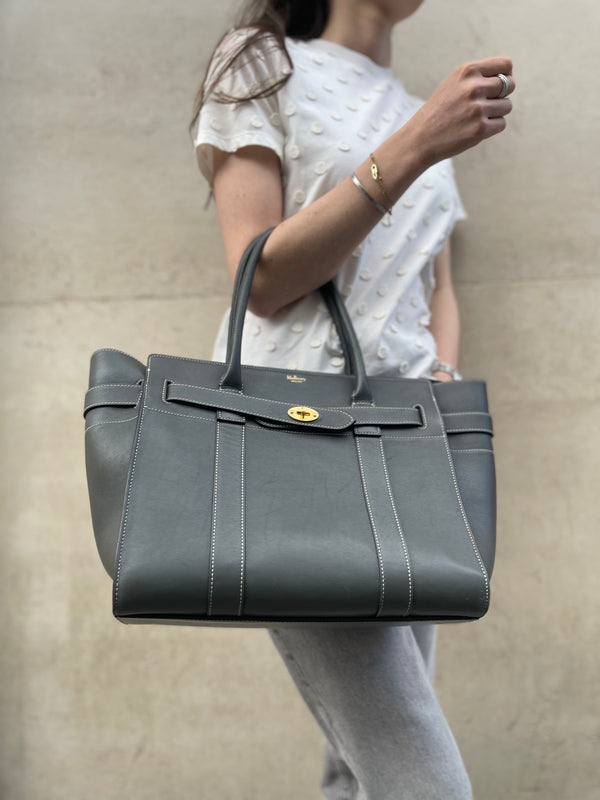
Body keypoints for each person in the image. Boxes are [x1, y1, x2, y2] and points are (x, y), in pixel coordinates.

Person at [190, 1, 514, 797]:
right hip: (296, 447)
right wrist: (416, 145)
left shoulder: (418, 106)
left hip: (409, 451)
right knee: (422, 776)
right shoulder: (261, 60)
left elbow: (436, 284)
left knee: (359, 770)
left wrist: (443, 385)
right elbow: (260, 277)